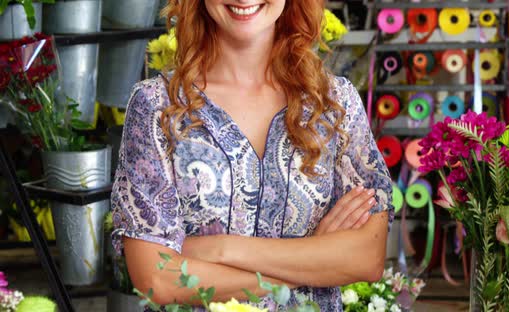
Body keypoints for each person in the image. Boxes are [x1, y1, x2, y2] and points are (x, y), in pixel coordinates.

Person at [111, 0, 394, 310]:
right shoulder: (158, 107)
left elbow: (367, 257)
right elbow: (157, 279)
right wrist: (313, 260)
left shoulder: (334, 104)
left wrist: (221, 249)